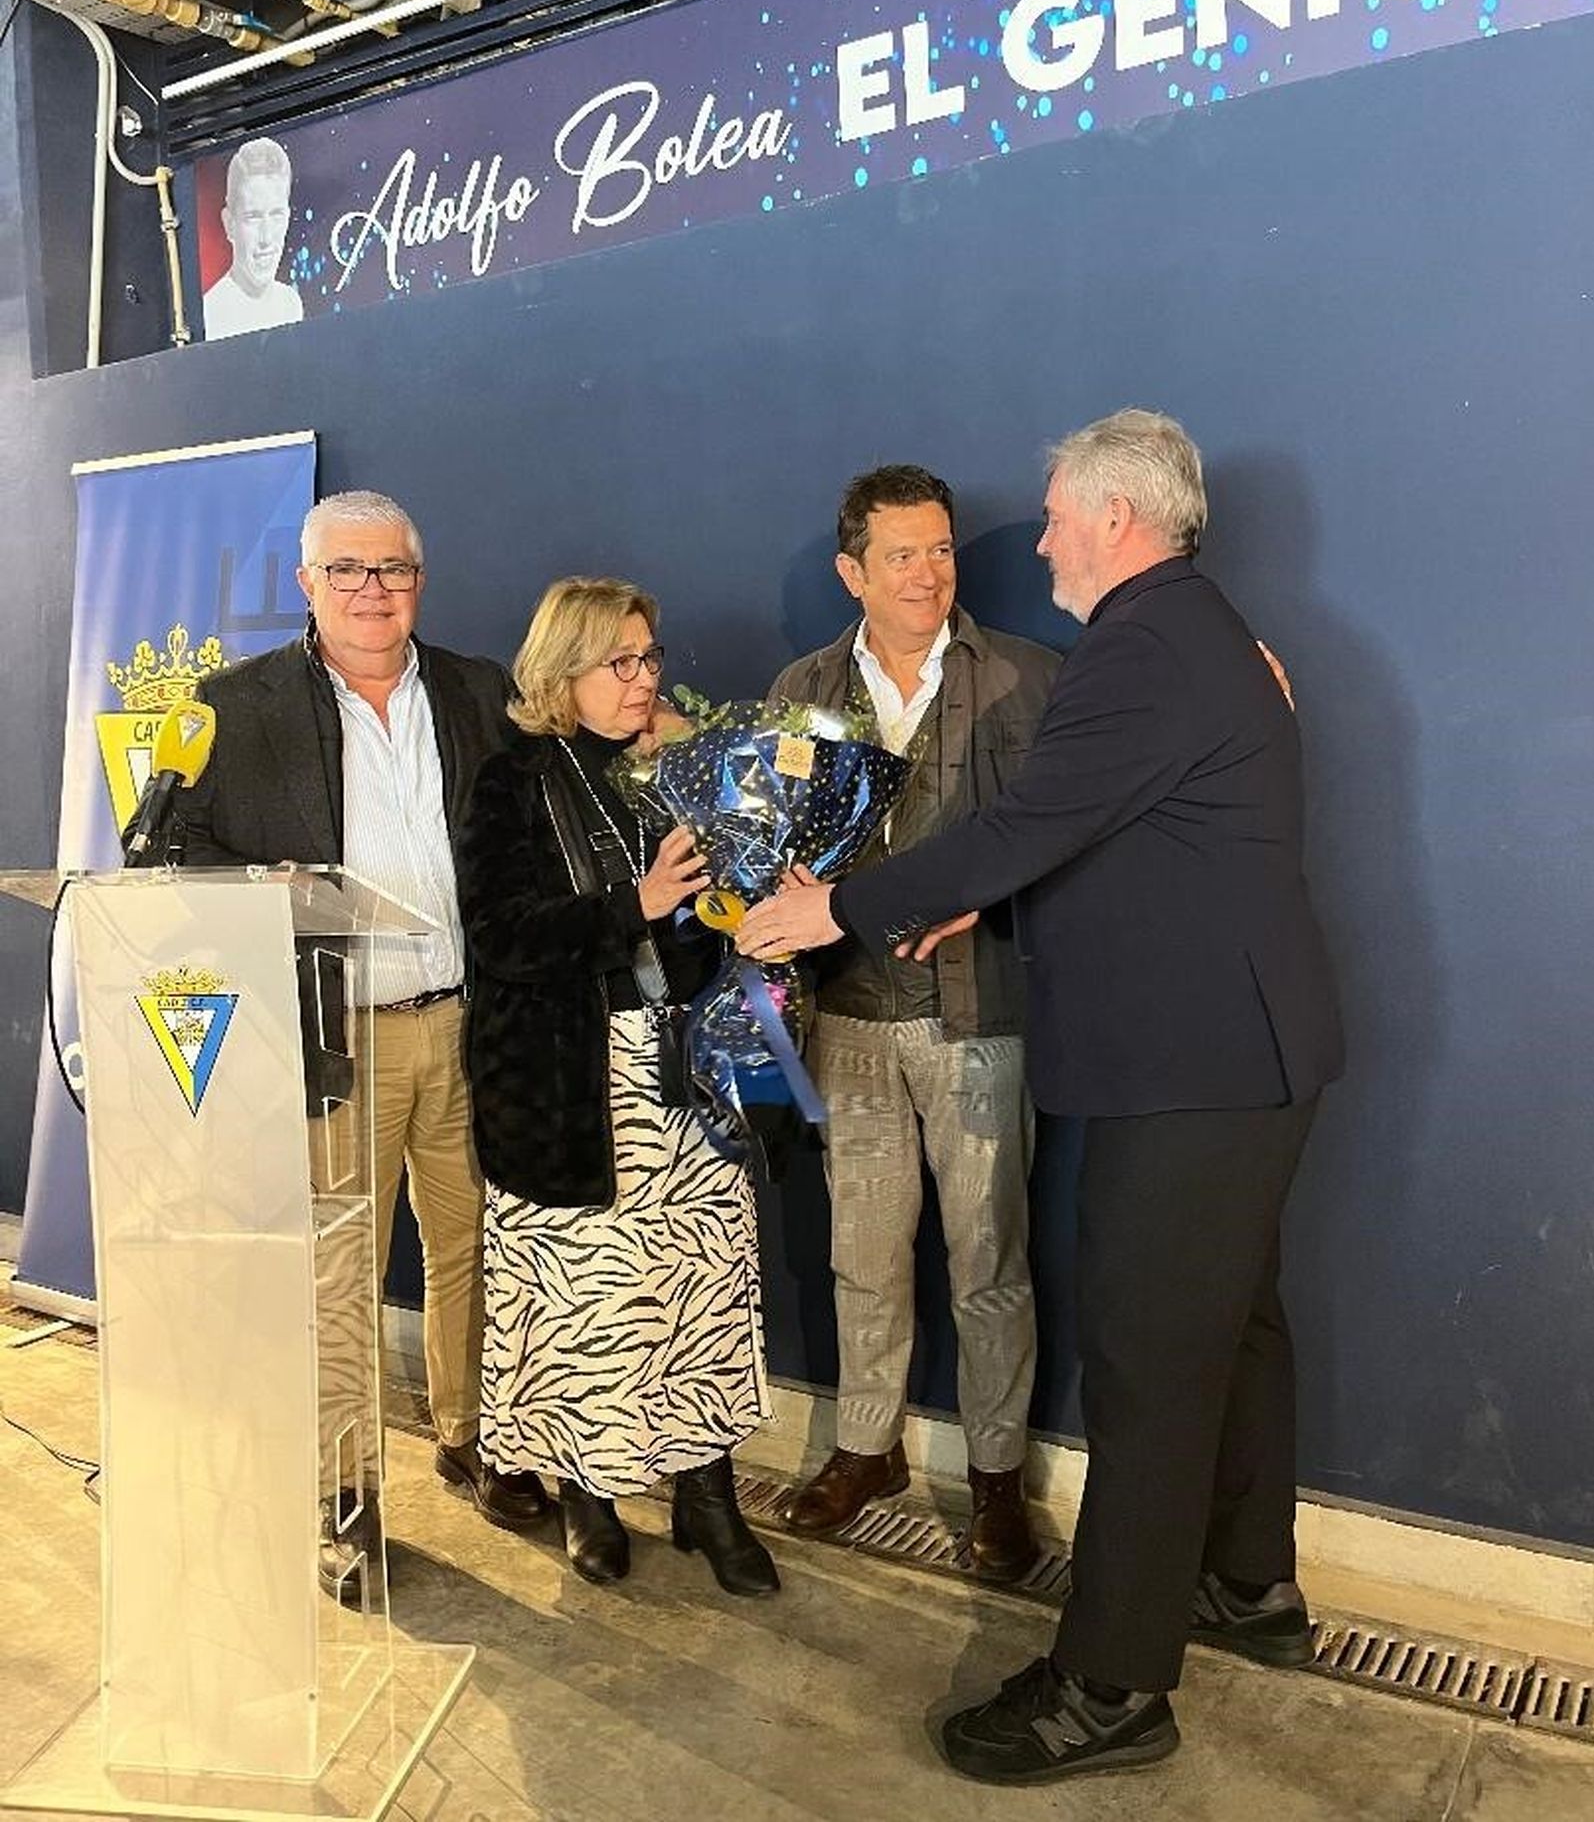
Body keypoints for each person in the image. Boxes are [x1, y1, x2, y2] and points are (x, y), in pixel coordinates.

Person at [739, 410, 1343, 1786]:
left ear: (1119, 519)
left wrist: (836, 900)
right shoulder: (1189, 637)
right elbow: (1108, 829)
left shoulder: (1145, 644)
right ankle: (1250, 1588)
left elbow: (1022, 826)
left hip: (1194, 1071)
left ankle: (1112, 1685)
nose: (1048, 539)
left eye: (1062, 516)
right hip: (1244, 1056)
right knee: (1235, 1331)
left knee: (1149, 1366)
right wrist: (967, 910)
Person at [178, 490, 546, 1554]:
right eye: (346, 570)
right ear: (306, 584)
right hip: (336, 1036)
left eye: (390, 570)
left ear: (418, 582)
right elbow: (171, 850)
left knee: (475, 1247)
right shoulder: (235, 705)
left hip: (471, 1026)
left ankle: (472, 1434)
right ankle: (341, 1490)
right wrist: (263, 887)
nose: (370, 590)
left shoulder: (480, 693)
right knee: (337, 1270)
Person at [456, 576, 780, 1595]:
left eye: (650, 658)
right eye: (621, 662)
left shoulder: (679, 771)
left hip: (690, 1075)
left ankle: (706, 1497)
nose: (645, 679)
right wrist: (627, 906)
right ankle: (586, 1499)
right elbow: (501, 938)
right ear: (563, 674)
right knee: (587, 1306)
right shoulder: (510, 784)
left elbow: (734, 902)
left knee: (699, 1288)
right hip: (570, 1092)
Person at [767, 465, 1058, 1579]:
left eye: (940, 549)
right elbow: (774, 837)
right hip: (846, 1018)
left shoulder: (1026, 678)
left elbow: (1063, 843)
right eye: (903, 554)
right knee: (862, 1254)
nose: (930, 572)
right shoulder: (803, 687)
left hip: (980, 1018)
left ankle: (996, 1482)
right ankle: (865, 1447)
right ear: (853, 572)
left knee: (990, 1260)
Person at [201, 136, 304, 338]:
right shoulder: (212, 314)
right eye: (253, 217)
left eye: (276, 215)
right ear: (229, 223)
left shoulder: (290, 303)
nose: (266, 238)